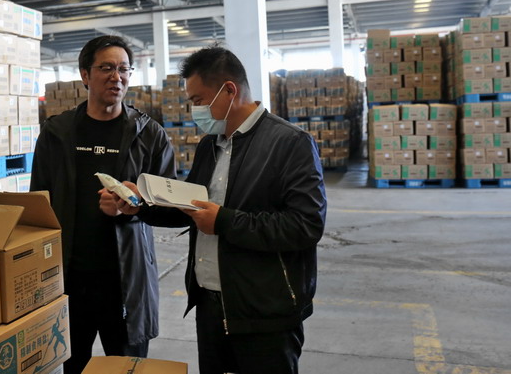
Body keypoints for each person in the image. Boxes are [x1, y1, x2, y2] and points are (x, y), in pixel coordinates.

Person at [114, 45, 327, 374]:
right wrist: (140, 204)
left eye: (198, 100)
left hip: (263, 313)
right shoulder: (210, 146)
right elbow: (190, 207)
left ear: (229, 90)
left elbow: (305, 225)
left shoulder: (290, 143)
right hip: (210, 306)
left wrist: (224, 221)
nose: (194, 110)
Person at [30, 35, 176, 374]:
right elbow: (39, 203)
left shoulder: (149, 134)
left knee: (127, 367)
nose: (117, 77)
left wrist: (135, 205)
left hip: (125, 281)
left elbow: (172, 209)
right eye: (106, 68)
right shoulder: (56, 133)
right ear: (85, 75)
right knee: (72, 366)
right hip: (70, 280)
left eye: (124, 69)